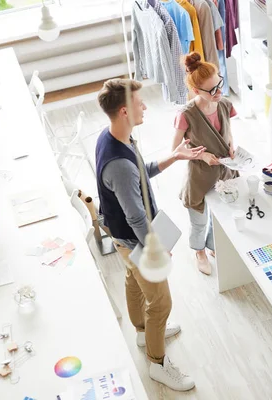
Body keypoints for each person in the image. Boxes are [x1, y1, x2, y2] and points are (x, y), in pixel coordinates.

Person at [95, 78, 204, 391]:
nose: (144, 106)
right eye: (139, 103)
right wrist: (154, 246)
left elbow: (141, 172)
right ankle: (158, 364)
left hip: (124, 240)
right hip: (133, 240)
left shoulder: (114, 136)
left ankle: (144, 334)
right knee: (160, 303)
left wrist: (176, 156)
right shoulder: (119, 164)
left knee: (133, 280)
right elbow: (135, 215)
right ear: (124, 111)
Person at [172, 52, 238, 275]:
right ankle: (199, 250)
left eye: (220, 84)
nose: (219, 92)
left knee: (220, 215)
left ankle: (212, 246)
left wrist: (231, 145)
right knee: (199, 219)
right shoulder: (186, 114)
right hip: (199, 175)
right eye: (212, 90)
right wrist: (201, 156)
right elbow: (175, 150)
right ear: (197, 91)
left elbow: (228, 132)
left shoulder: (225, 104)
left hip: (224, 171)